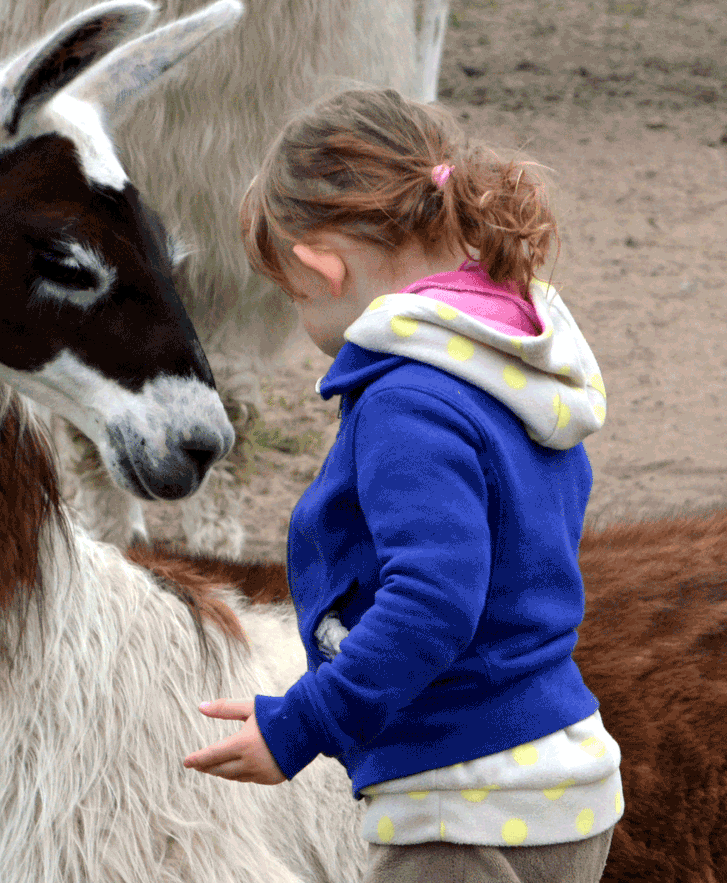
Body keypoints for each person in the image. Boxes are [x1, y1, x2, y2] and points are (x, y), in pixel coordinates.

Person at [183, 87, 620, 883]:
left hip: (463, 805)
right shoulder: (512, 358)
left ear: (320, 267)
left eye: (289, 293)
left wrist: (303, 725)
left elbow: (431, 601)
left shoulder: (407, 401)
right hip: (562, 778)